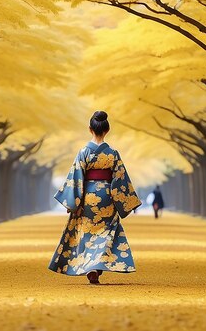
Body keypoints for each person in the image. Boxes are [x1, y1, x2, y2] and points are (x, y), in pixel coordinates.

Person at [48, 110, 141, 284]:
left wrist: (74, 202)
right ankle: (97, 267)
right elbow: (120, 179)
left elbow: (76, 178)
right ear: (107, 130)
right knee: (106, 234)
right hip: (107, 198)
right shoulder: (113, 154)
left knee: (88, 234)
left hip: (88, 197)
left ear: (90, 129)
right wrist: (125, 201)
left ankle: (90, 267)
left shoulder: (83, 152)